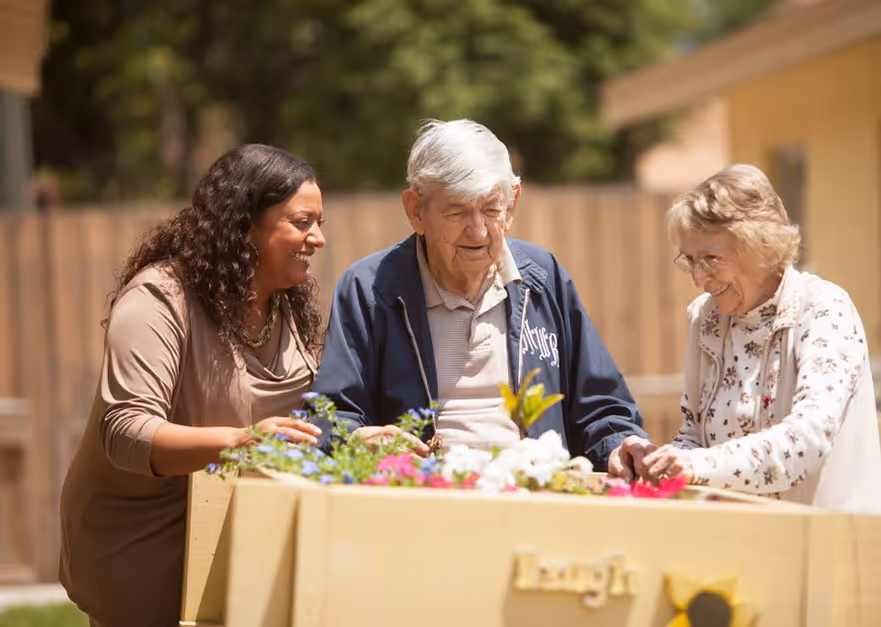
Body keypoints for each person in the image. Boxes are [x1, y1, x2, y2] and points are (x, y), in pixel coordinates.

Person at [59, 144, 326, 626]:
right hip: (146, 551)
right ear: (245, 223)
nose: (319, 238)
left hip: (239, 541)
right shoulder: (160, 298)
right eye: (302, 222)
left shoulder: (288, 308)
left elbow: (300, 424)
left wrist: (352, 437)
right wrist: (241, 444)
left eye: (318, 222)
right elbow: (126, 431)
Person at [312, 119, 651, 474]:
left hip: (534, 495)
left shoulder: (542, 277)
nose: (478, 231)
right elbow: (332, 416)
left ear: (512, 203)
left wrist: (619, 446)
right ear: (415, 210)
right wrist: (358, 441)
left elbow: (601, 406)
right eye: (456, 212)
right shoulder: (370, 289)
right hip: (424, 500)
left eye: (491, 209)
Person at [639, 164, 881, 561]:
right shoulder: (704, 318)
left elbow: (805, 441)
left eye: (710, 259)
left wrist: (692, 464)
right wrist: (659, 463)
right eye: (689, 260)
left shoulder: (824, 309)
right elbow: (695, 435)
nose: (698, 277)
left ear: (758, 244)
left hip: (841, 558)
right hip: (747, 553)